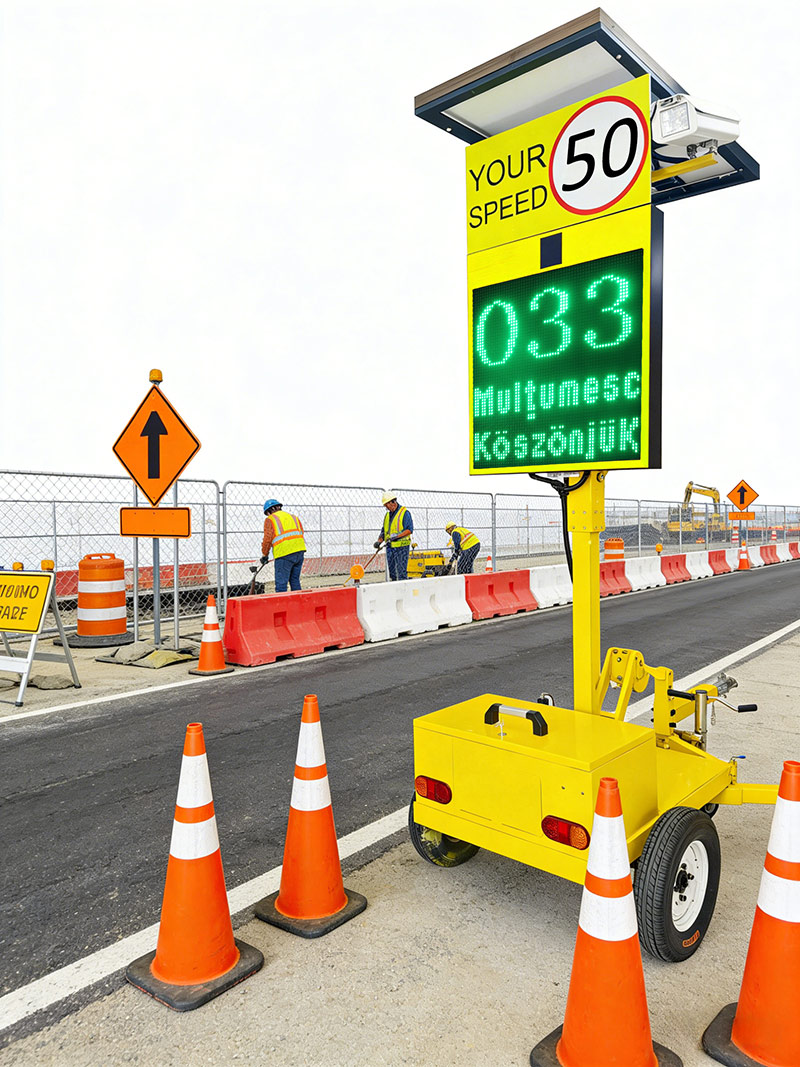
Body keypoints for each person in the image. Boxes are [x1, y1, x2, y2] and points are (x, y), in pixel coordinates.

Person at [261, 499, 307, 593]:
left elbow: (267, 539)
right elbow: (301, 532)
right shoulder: (293, 517)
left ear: (269, 510)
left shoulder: (270, 519)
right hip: (299, 551)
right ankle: (298, 605)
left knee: (281, 584)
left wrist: (265, 555)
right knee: (295, 581)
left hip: (284, 554)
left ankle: (282, 607)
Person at [374, 491, 413, 581]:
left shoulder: (404, 513)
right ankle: (395, 589)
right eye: (385, 506)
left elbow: (409, 530)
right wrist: (379, 541)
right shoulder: (387, 515)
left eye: (387, 505)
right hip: (390, 547)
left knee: (401, 572)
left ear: (393, 502)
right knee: (392, 572)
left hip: (401, 547)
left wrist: (396, 537)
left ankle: (403, 591)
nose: (387, 508)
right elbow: (384, 530)